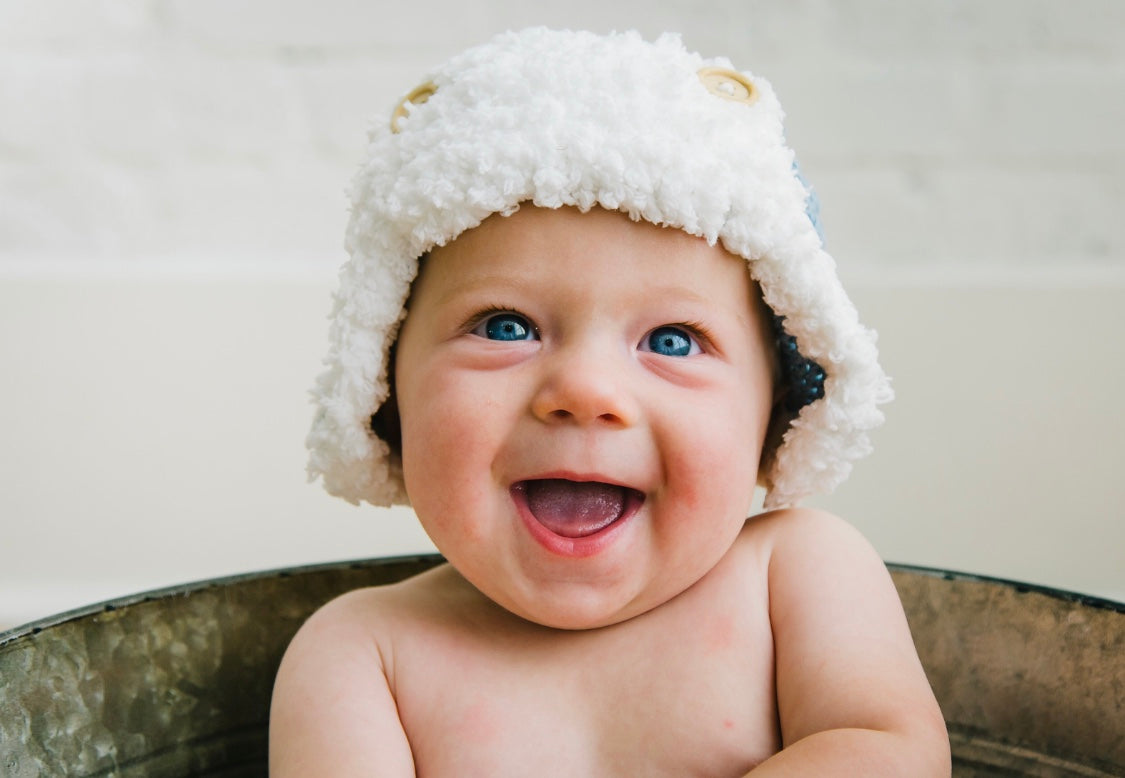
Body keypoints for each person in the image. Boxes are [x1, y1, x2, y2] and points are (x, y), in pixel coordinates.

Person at [270, 28, 950, 776]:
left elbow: (893, 754)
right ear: (384, 395)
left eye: (671, 341)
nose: (585, 393)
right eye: (507, 327)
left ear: (775, 417)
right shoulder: (363, 652)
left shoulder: (795, 575)